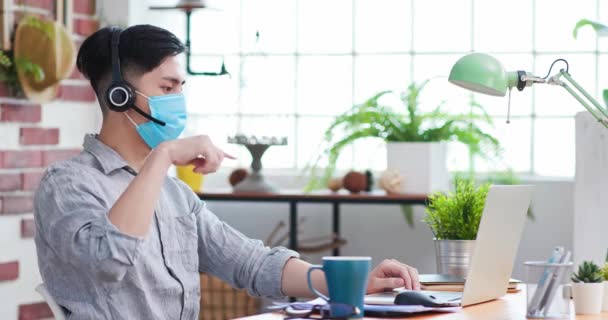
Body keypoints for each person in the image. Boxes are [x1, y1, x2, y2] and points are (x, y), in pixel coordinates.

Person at [33, 24, 421, 319]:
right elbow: (107, 261)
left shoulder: (174, 196)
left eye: (181, 87)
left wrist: (351, 284)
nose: (179, 101)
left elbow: (249, 263)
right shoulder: (67, 185)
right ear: (120, 95)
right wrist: (163, 156)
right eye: (167, 88)